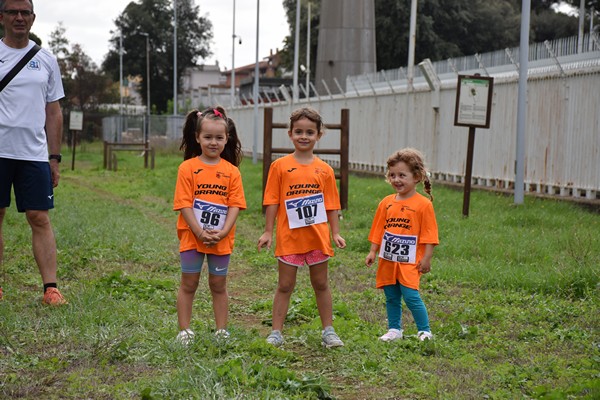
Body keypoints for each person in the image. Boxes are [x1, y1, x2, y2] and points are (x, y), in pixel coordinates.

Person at [257, 107, 346, 348]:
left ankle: (329, 331)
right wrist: (268, 231)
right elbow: (272, 201)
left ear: (319, 135)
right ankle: (276, 332)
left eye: (309, 132)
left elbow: (332, 205)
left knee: (321, 284)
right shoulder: (280, 166)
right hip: (289, 239)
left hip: (317, 238)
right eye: (298, 131)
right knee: (285, 285)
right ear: (290, 134)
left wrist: (335, 232)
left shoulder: (325, 170)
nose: (303, 136)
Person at [0, 0, 66, 304]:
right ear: (2, 17)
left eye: (25, 12)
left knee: (39, 217)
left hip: (34, 155)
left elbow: (53, 111)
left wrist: (54, 157)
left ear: (33, 18)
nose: (19, 17)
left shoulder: (47, 59)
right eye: (12, 12)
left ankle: (50, 289)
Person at [173, 107, 246, 344]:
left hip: (220, 239)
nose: (213, 142)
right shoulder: (187, 168)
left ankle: (222, 331)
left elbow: (235, 204)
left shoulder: (232, 172)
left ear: (227, 139)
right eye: (207, 137)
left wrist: (223, 232)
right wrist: (199, 231)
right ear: (197, 138)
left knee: (218, 284)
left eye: (219, 137)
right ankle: (184, 331)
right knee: (189, 283)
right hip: (192, 237)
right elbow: (183, 203)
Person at [365, 148, 439, 342]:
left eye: (402, 175)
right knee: (391, 295)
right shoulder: (386, 203)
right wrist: (373, 250)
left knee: (411, 295)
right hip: (388, 259)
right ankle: (394, 329)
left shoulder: (423, 205)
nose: (396, 180)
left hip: (410, 260)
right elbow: (378, 228)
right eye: (392, 175)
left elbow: (430, 234)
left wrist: (427, 257)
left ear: (416, 177)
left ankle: (424, 331)